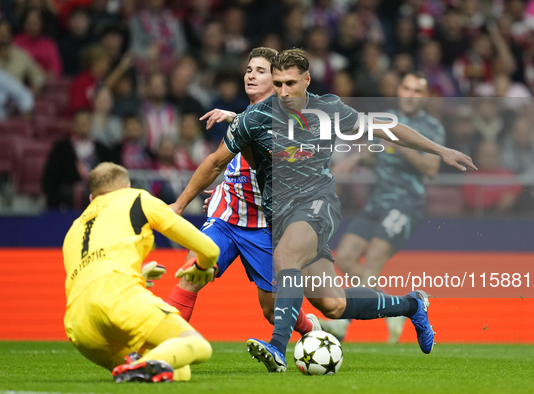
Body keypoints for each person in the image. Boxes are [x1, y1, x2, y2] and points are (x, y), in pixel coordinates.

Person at [171, 49, 476, 372]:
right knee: (332, 304)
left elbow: (386, 128)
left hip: (318, 205)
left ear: (307, 79)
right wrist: (178, 204)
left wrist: (439, 149)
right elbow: (215, 162)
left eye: (290, 83)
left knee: (285, 256)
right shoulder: (254, 119)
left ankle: (276, 347)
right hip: (281, 217)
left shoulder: (328, 108)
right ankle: (412, 304)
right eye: (278, 84)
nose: (284, 92)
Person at [167, 47, 321, 337]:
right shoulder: (246, 116)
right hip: (226, 218)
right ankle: (162, 346)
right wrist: (191, 199)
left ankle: (309, 328)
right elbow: (218, 162)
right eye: (249, 69)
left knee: (270, 309)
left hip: (263, 225)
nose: (251, 75)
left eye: (260, 71)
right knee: (192, 274)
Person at [63, 162, 219, 383]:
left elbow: (90, 277)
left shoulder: (73, 229)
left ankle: (135, 368)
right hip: (117, 296)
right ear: (126, 187)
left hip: (79, 325)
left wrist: (138, 276)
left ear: (91, 199)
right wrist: (202, 266)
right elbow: (210, 249)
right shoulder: (136, 198)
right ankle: (138, 367)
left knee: (178, 371)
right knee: (198, 346)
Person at [320, 72, 446, 344]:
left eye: (417, 90)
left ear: (424, 97)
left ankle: (341, 324)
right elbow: (374, 154)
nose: (411, 94)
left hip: (405, 204)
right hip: (377, 202)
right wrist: (353, 162)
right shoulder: (387, 117)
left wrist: (403, 145)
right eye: (407, 88)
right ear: (399, 90)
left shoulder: (431, 126)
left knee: (373, 261)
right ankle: (396, 309)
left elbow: (432, 168)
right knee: (345, 259)